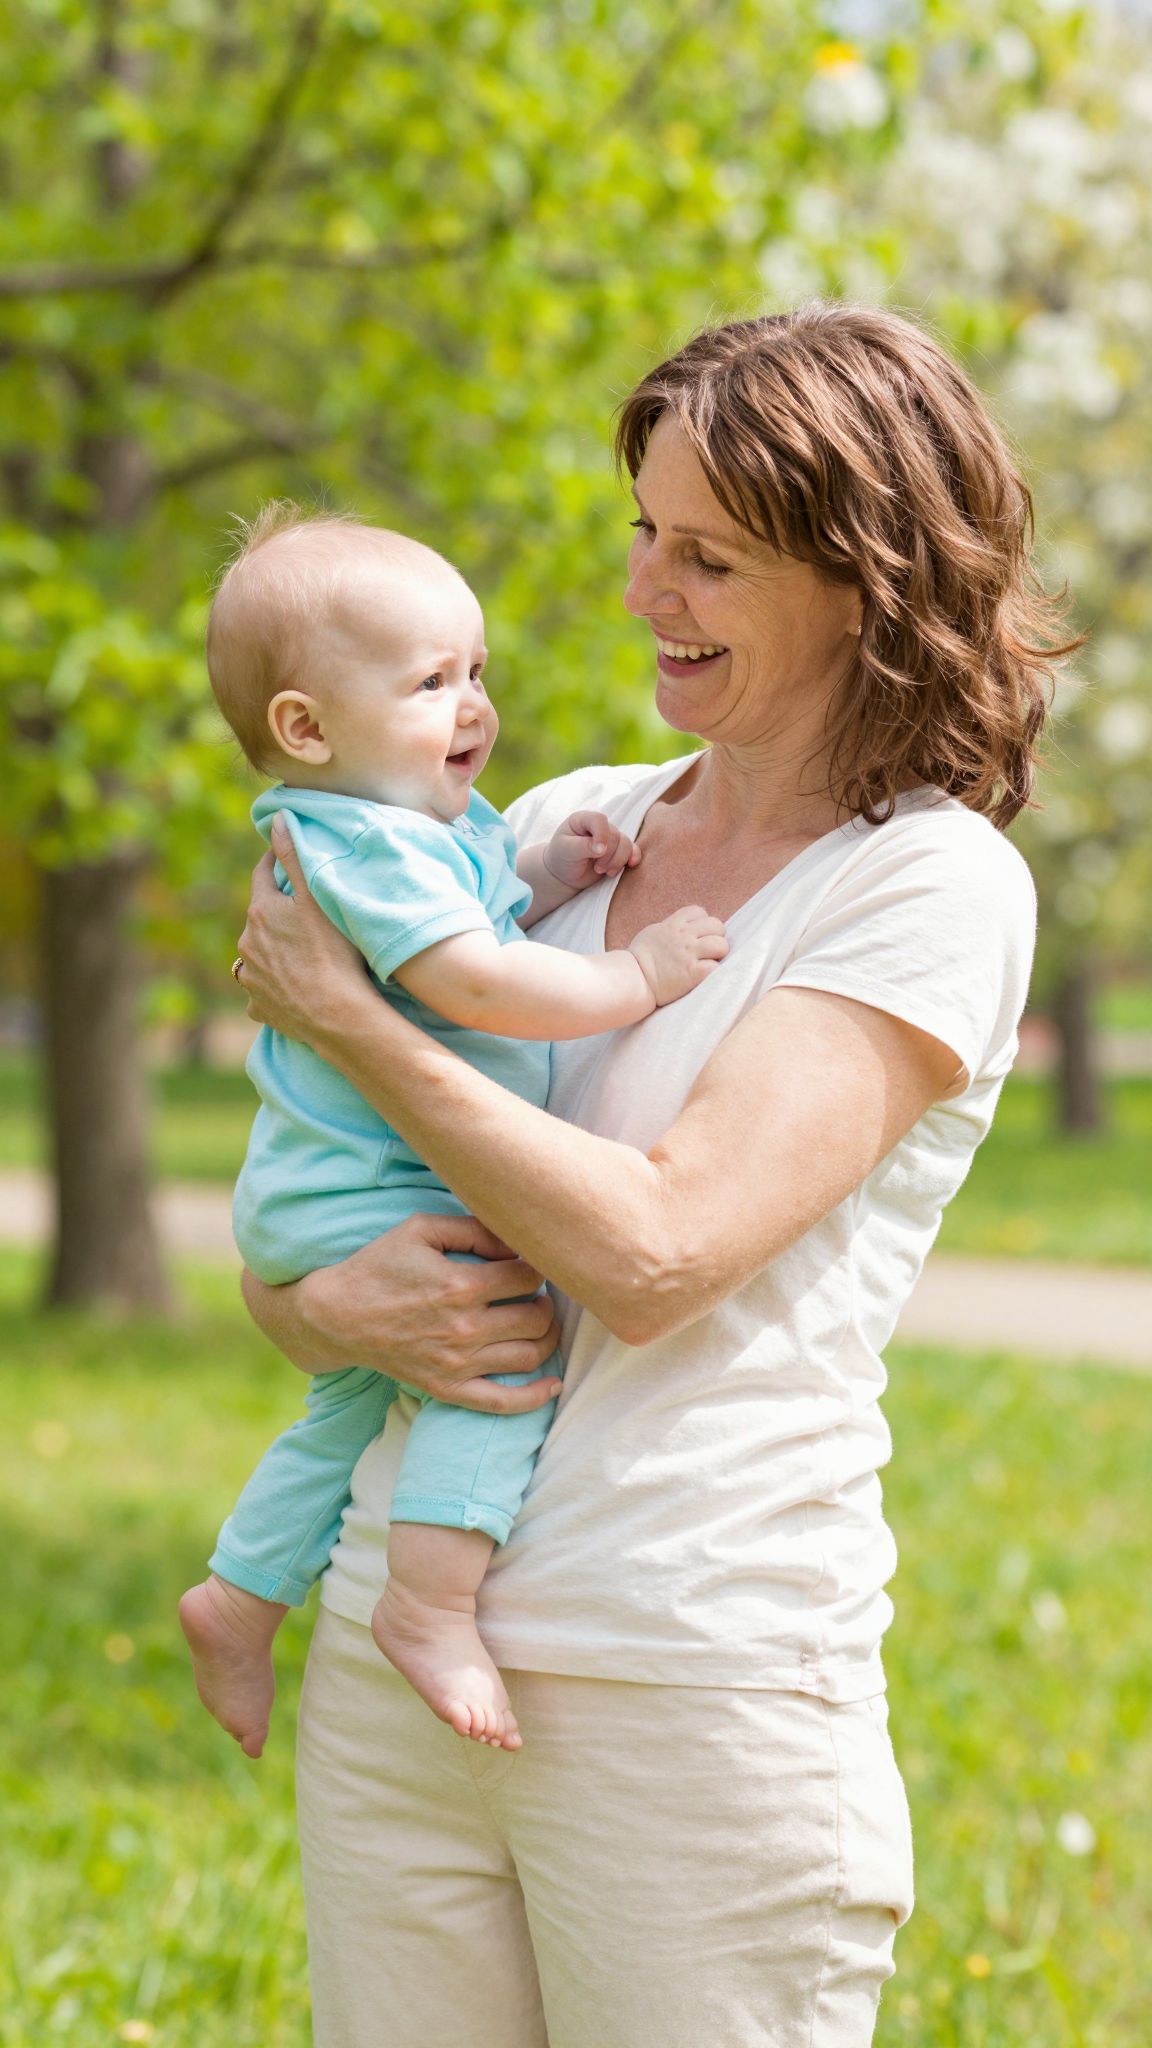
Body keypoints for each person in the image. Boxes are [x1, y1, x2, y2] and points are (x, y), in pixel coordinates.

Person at [230, 304, 1072, 2048]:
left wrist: (354, 1020)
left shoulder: (925, 888)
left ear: (862, 581)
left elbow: (659, 1249)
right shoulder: (555, 824)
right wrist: (322, 1306)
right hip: (397, 1643)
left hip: (685, 1677)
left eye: (707, 557)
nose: (640, 591)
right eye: (642, 531)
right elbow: (312, 1218)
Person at [179, 509, 727, 1761]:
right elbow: (473, 978)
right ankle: (427, 1604)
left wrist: (545, 869)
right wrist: (638, 971)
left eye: (476, 669)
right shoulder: (367, 841)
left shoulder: (402, 827)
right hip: (378, 1185)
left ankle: (240, 1591)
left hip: (327, 1188)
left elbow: (474, 914)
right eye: (431, 681)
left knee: (345, 1406)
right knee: (500, 1358)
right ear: (306, 728)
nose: (474, 704)